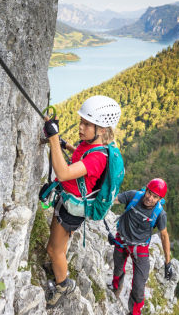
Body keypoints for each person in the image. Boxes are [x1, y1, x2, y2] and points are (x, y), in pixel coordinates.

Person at [41, 95, 121, 308]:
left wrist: (52, 137)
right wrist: (63, 143)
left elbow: (64, 172)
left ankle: (63, 285)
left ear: (102, 129)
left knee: (54, 250)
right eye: (81, 122)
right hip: (68, 202)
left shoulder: (97, 157)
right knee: (56, 242)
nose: (81, 127)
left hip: (72, 209)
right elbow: (78, 158)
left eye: (87, 124)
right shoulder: (90, 145)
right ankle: (59, 265)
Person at [109, 178, 173, 315]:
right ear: (146, 189)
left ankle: (134, 312)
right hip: (122, 239)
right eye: (149, 193)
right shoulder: (134, 196)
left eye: (155, 196)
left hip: (140, 247)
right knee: (118, 268)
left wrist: (168, 263)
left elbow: (164, 236)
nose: (149, 198)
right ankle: (115, 289)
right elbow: (112, 200)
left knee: (139, 286)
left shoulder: (160, 214)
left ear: (159, 199)